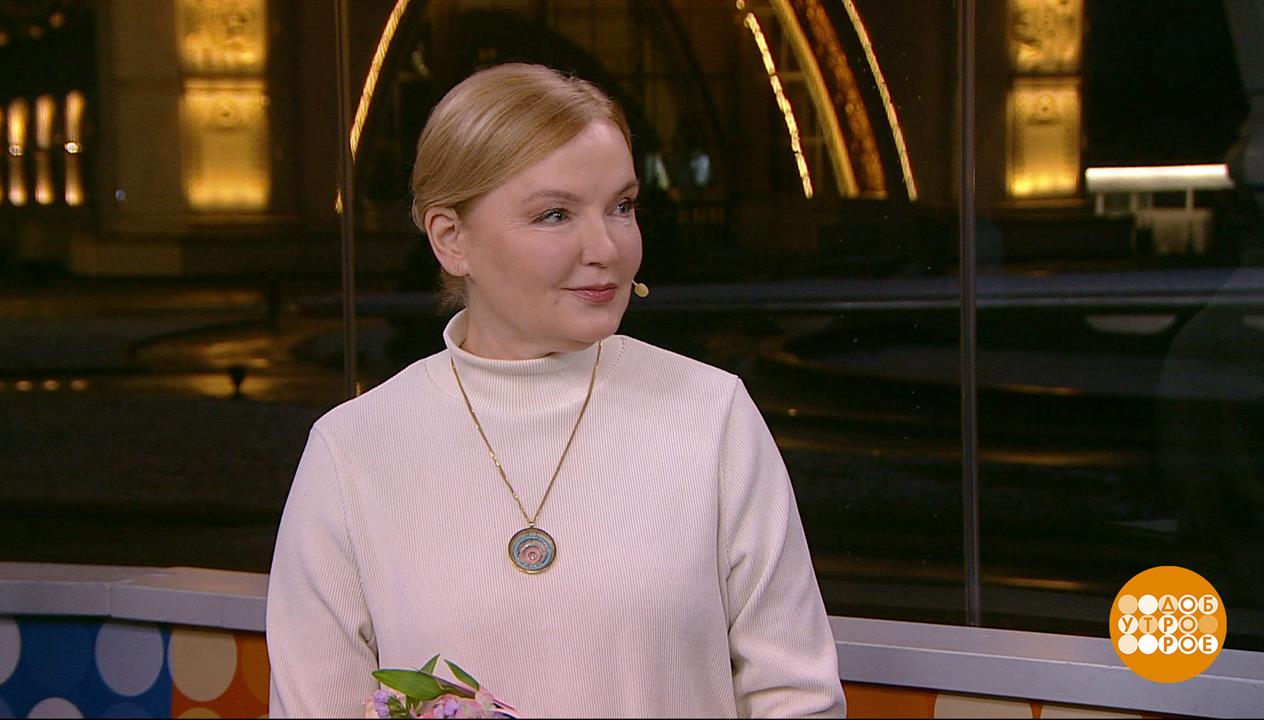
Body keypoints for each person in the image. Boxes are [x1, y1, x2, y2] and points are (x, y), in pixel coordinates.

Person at [267, 62, 845, 718]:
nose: (606, 247)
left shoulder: (712, 414)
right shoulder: (352, 450)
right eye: (555, 214)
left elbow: (797, 697)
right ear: (451, 239)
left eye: (622, 207)